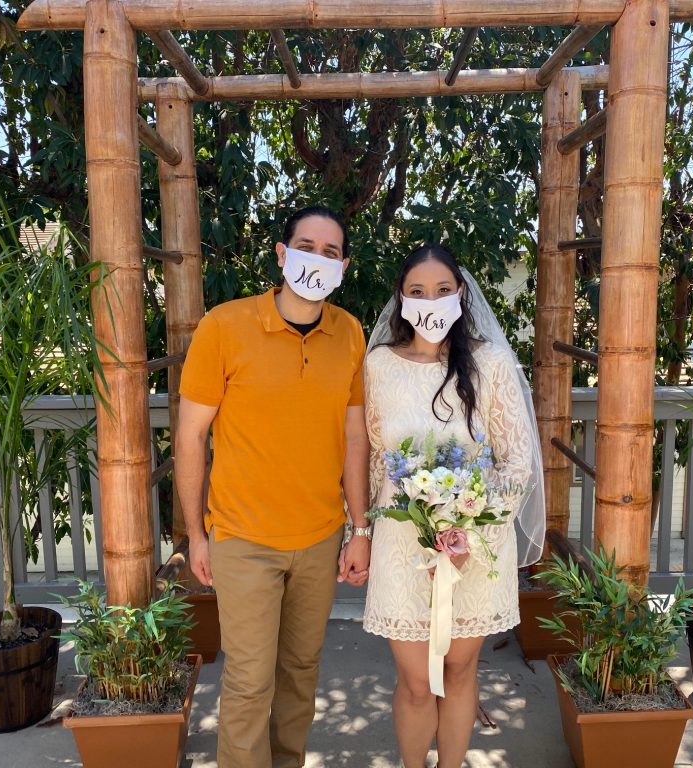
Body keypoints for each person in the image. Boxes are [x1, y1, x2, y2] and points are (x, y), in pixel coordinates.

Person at [175, 205, 372, 768]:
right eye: (306, 246)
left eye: (330, 252)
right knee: (248, 683)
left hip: (319, 539)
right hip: (243, 539)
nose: (318, 259)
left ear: (343, 265)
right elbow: (191, 437)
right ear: (282, 254)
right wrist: (196, 533)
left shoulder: (349, 334)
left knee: (300, 679)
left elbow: (355, 439)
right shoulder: (224, 326)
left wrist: (360, 530)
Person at [362, 243, 545, 768]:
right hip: (403, 545)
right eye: (417, 292)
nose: (431, 301)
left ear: (461, 294)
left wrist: (472, 524)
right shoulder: (379, 366)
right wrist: (366, 532)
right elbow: (378, 457)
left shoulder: (489, 362)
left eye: (443, 290)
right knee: (417, 682)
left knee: (461, 673)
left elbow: (516, 464)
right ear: (401, 300)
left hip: (477, 546)